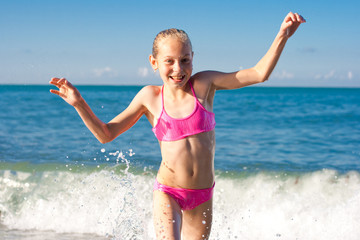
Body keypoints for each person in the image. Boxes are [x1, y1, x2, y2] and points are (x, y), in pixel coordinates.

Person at [50, 12, 305, 240]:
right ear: (154, 62)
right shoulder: (149, 97)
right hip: (168, 192)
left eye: (185, 60)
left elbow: (259, 74)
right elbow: (106, 134)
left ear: (193, 58)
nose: (178, 69)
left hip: (202, 196)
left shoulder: (204, 85)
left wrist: (282, 35)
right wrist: (78, 103)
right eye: (169, 61)